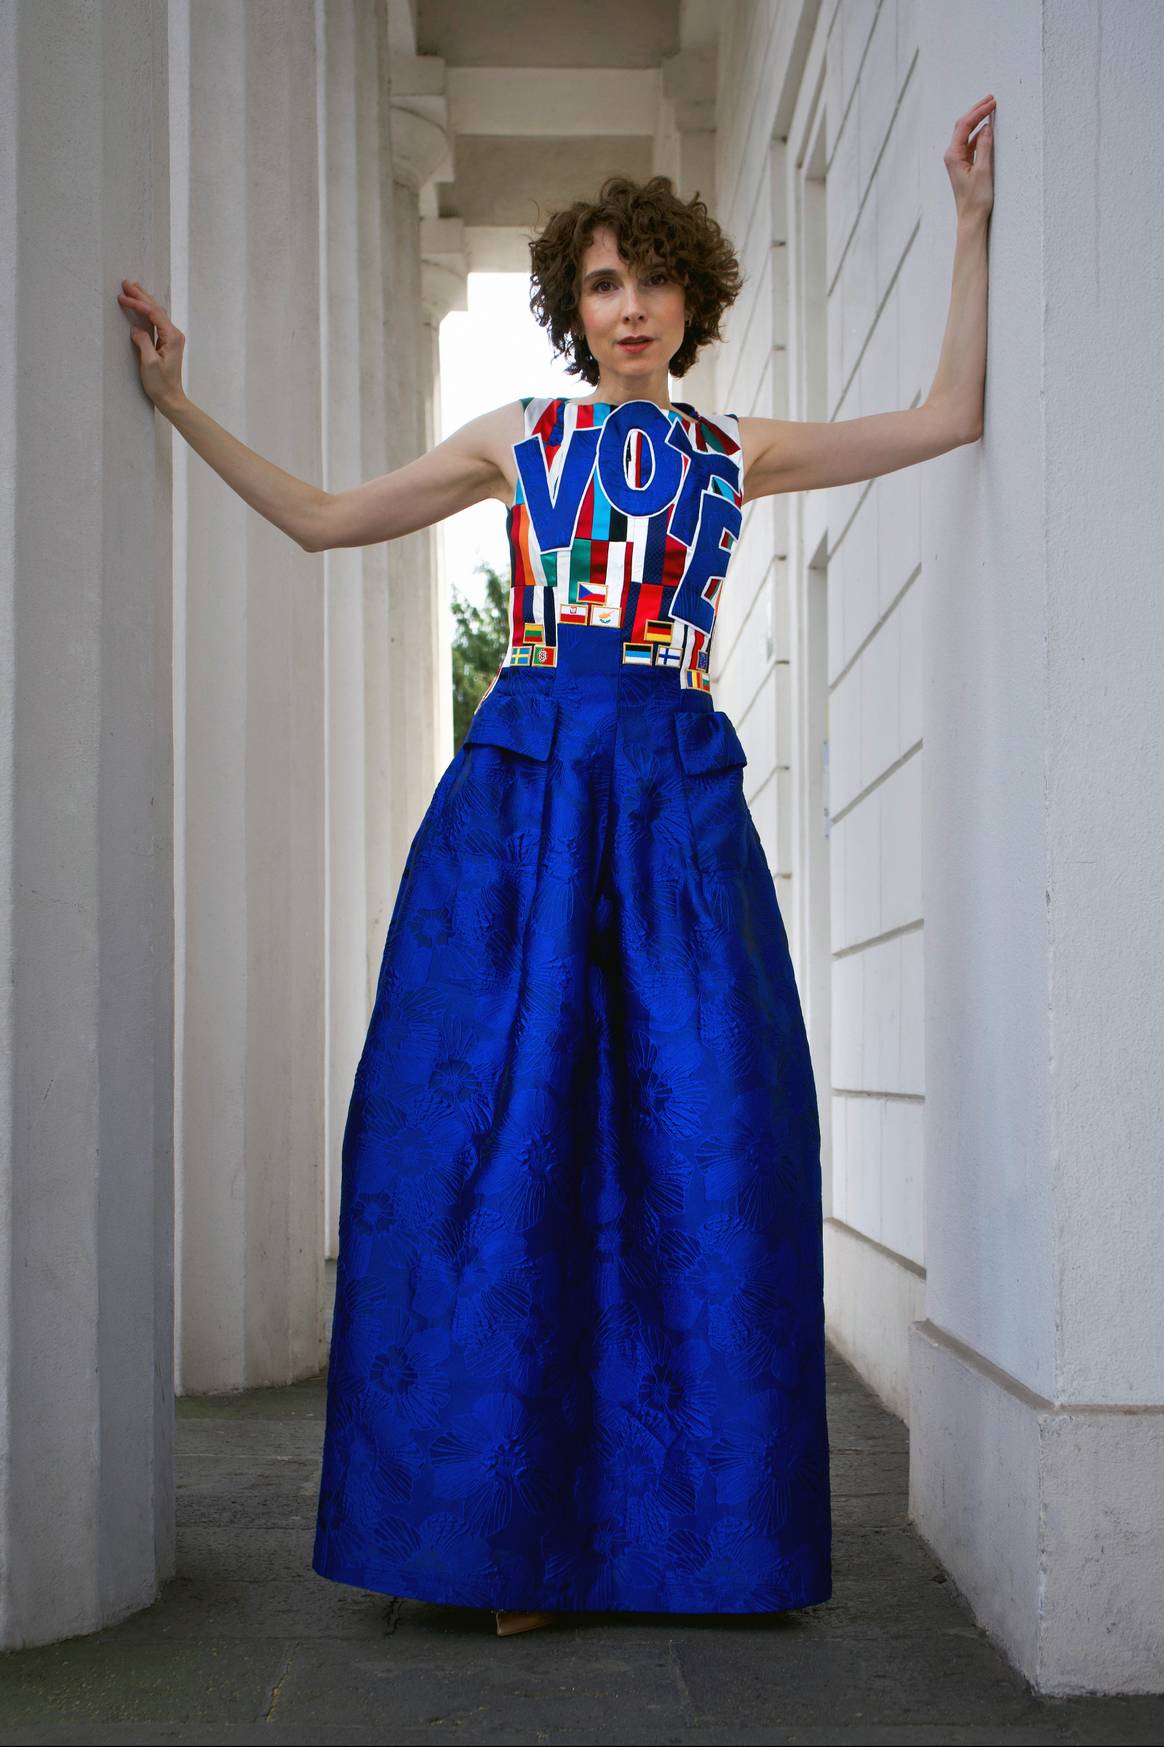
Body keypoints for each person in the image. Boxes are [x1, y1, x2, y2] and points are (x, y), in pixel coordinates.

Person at [118, 97, 993, 1640]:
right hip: (521, 812)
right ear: (571, 305)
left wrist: (973, 229)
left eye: (652, 279)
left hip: (673, 815)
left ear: (693, 299)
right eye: (602, 282)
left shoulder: (732, 449)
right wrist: (180, 404)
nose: (629, 306)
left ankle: (687, 1539)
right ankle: (503, 1546)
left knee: (711, 1137)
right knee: (498, 1137)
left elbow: (945, 417)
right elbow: (322, 520)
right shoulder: (521, 439)